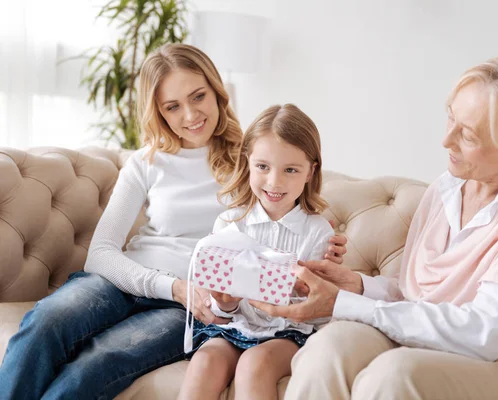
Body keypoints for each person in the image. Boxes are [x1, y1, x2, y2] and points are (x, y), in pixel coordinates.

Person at [0, 44, 347, 400]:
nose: (191, 114)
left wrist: (326, 237)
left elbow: (293, 193)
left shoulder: (251, 158)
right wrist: (172, 285)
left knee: (101, 360)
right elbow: (100, 253)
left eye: (199, 96)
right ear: (158, 112)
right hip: (125, 282)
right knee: (45, 322)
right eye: (173, 106)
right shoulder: (145, 162)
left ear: (216, 92)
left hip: (186, 307)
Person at [252, 54, 498, 400]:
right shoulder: (447, 189)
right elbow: (419, 299)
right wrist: (358, 286)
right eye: (451, 118)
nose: (447, 141)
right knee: (329, 347)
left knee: (394, 376)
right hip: (434, 344)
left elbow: (484, 332)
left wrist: (344, 303)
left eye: (468, 136)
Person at [178, 103, 334, 400]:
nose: (275, 182)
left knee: (255, 362)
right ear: (248, 162)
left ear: (310, 172)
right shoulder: (229, 223)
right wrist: (225, 304)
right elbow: (221, 308)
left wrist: (298, 293)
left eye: (290, 170)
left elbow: (318, 313)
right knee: (205, 360)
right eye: (263, 167)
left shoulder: (318, 232)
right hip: (236, 327)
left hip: (289, 333)